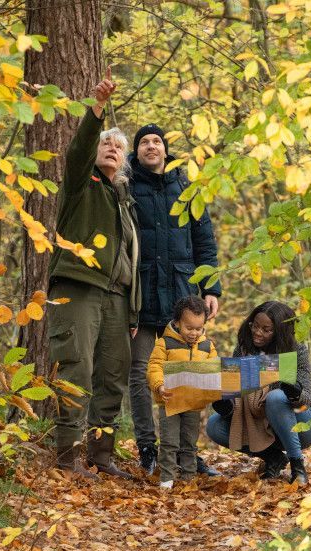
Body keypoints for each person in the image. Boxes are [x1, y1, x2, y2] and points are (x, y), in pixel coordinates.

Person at [47, 68, 140, 479]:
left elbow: (131, 260)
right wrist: (96, 111)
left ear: (124, 161)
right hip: (80, 287)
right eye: (106, 145)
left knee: (112, 377)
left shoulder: (125, 203)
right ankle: (66, 455)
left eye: (118, 148)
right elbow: (78, 150)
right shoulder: (80, 185)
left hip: (117, 298)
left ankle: (101, 456)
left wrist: (133, 313)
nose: (111, 150)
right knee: (77, 369)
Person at [128, 123, 222, 476]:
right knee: (140, 372)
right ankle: (148, 448)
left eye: (157, 141)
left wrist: (210, 288)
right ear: (135, 151)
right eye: (143, 142)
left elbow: (205, 241)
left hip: (183, 292)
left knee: (190, 369)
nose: (151, 146)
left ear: (166, 150)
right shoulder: (126, 185)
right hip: (140, 292)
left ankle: (187, 453)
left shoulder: (186, 186)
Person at [206, 301, 311, 485]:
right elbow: (236, 394)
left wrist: (293, 391)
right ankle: (273, 458)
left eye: (267, 329)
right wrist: (225, 406)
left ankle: (297, 466)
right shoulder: (243, 349)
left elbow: (306, 397)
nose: (258, 332)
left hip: (300, 426)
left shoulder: (296, 351)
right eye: (255, 326)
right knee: (214, 426)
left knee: (276, 397)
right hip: (258, 425)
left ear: (280, 332)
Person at [147, 296, 218, 488]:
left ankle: (188, 477)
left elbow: (214, 369)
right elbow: (154, 367)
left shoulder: (207, 346)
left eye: (199, 328)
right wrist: (159, 385)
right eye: (189, 328)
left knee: (189, 442)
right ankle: (167, 478)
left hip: (193, 403)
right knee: (169, 441)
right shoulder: (165, 343)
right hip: (169, 401)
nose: (194, 333)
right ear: (178, 323)